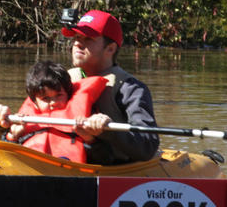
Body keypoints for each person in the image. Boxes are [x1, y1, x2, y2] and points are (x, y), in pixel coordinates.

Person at [59, 9, 160, 165]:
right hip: (62, 161)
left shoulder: (130, 89)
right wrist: (8, 127)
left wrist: (109, 131)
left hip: (112, 166)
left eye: (88, 39)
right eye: (77, 37)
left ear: (110, 49)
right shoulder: (61, 80)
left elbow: (148, 146)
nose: (78, 43)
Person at [0, 61, 107, 163]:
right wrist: (12, 137)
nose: (53, 102)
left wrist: (89, 138)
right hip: (31, 171)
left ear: (68, 95)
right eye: (45, 98)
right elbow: (9, 159)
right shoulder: (24, 123)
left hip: (71, 173)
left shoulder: (83, 122)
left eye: (59, 95)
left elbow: (105, 159)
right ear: (34, 102)